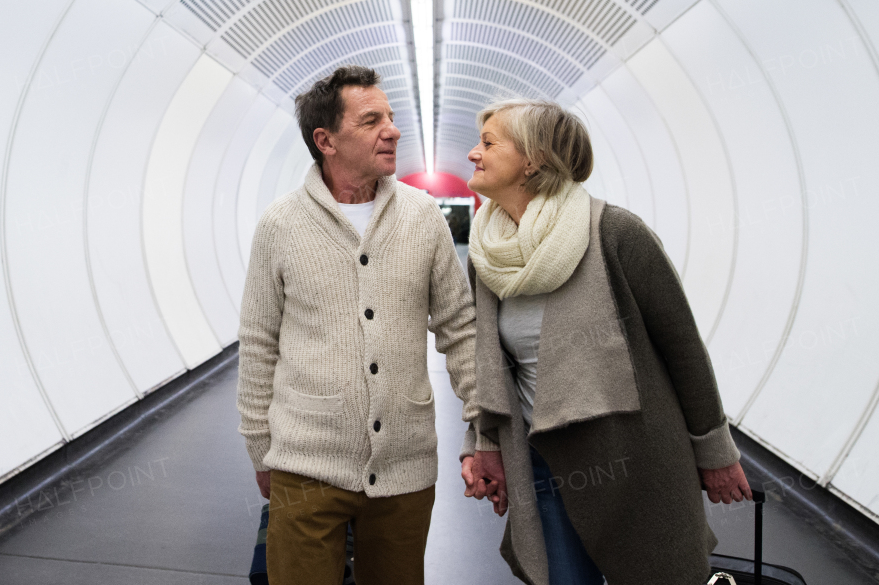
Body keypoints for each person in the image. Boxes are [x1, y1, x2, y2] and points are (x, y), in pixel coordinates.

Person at [457, 99, 752, 585]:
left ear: (532, 159)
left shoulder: (615, 234)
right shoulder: (489, 255)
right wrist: (482, 441)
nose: (473, 153)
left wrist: (716, 453)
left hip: (634, 460)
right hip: (542, 460)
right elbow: (492, 365)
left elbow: (684, 351)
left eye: (488, 143)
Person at [236, 65, 489, 585]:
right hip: (305, 467)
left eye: (391, 118)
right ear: (325, 140)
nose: (392, 130)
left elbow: (461, 328)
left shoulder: (422, 218)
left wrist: (483, 428)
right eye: (372, 120)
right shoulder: (280, 225)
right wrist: (261, 446)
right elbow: (259, 343)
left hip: (404, 467)